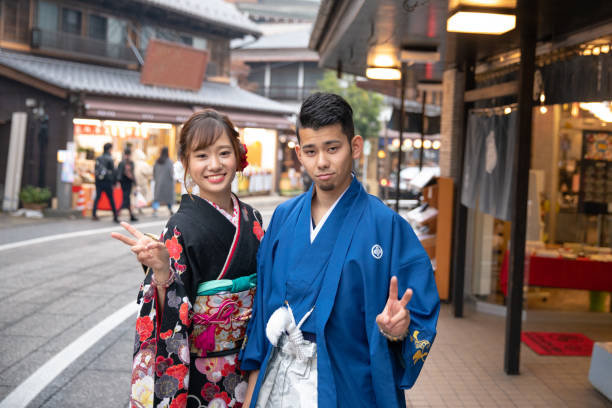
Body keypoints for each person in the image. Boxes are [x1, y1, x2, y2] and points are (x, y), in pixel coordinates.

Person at [240, 93, 440, 407]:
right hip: (280, 384)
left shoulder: (386, 227)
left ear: (354, 146)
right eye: (311, 150)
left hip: (351, 387)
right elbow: (263, 312)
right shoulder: (283, 218)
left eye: (333, 148)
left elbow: (418, 312)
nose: (321, 161)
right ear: (299, 153)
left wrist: (399, 329)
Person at [112, 110, 263, 407]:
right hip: (201, 371)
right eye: (202, 156)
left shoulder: (252, 218)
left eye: (224, 153)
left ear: (238, 155)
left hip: (250, 363)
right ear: (186, 163)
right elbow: (168, 304)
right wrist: (161, 271)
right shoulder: (179, 226)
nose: (215, 165)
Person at [92, 142, 118, 222]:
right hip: (107, 181)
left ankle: (94, 214)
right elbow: (113, 172)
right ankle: (115, 215)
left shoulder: (98, 158)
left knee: (97, 197)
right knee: (111, 198)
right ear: (110, 149)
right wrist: (114, 182)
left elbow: (95, 170)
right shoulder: (110, 158)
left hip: (98, 181)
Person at [116, 147, 138, 222]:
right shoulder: (124, 163)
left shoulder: (129, 163)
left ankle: (131, 215)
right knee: (126, 199)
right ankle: (116, 214)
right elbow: (119, 173)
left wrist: (135, 183)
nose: (128, 156)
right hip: (125, 182)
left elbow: (132, 173)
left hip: (127, 183)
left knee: (127, 199)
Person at [153, 146, 176, 216]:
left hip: (158, 182)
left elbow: (154, 171)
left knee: (157, 197)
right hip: (168, 183)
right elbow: (171, 173)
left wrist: (156, 178)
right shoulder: (169, 161)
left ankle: (155, 210)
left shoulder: (157, 161)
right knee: (168, 197)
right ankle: (170, 209)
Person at [133, 148, 153, 215]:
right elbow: (149, 172)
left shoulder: (133, 163)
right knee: (143, 195)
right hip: (142, 182)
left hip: (135, 183)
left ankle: (136, 207)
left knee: (136, 195)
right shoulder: (144, 164)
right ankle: (140, 208)